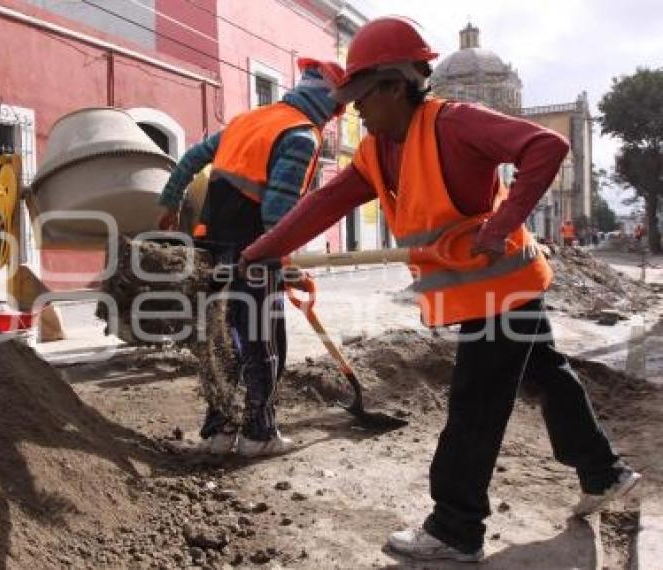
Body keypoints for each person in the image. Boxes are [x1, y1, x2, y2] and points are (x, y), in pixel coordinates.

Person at [239, 16, 640, 562]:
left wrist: (501, 226)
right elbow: (322, 205)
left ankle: (455, 528)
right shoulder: (377, 151)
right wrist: (262, 249)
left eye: (361, 94)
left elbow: (545, 148)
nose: (354, 108)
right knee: (546, 371)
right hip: (490, 290)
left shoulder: (455, 123)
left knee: (476, 403)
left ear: (396, 85)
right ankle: (604, 471)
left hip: (503, 288)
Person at [156, 58, 344, 457]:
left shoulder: (248, 120)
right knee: (262, 341)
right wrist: (284, 264)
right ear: (329, 105)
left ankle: (219, 433)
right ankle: (259, 435)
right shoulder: (301, 135)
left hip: (210, 245)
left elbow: (192, 157)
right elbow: (278, 211)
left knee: (220, 341)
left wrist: (170, 201)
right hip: (254, 252)